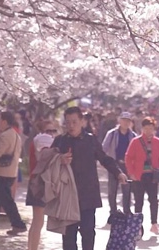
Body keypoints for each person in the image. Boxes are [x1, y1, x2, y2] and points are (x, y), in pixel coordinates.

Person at [51, 107, 127, 250]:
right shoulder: (60, 141)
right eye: (68, 122)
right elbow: (47, 162)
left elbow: (104, 158)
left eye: (74, 122)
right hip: (67, 196)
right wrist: (59, 159)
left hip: (88, 195)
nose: (71, 126)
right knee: (68, 236)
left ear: (82, 121)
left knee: (88, 233)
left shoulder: (90, 140)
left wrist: (118, 173)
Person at [125, 117, 159, 235]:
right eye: (146, 128)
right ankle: (138, 226)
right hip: (139, 175)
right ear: (142, 129)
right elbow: (128, 157)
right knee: (139, 201)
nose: (148, 131)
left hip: (153, 175)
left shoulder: (157, 141)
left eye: (151, 128)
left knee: (154, 200)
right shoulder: (136, 141)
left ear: (154, 129)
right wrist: (131, 172)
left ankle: (154, 224)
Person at [26, 120, 58, 250]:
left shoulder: (39, 140)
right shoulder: (42, 140)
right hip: (39, 182)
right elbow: (46, 158)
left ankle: (31, 247)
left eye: (53, 131)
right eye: (48, 130)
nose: (50, 134)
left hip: (37, 181)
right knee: (38, 222)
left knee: (36, 222)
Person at [102, 111, 137, 217]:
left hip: (127, 165)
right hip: (114, 164)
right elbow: (104, 148)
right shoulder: (112, 134)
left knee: (127, 189)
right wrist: (105, 162)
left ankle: (127, 211)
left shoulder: (133, 135)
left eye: (128, 121)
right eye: (124, 120)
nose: (126, 123)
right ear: (119, 121)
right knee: (112, 190)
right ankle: (113, 211)